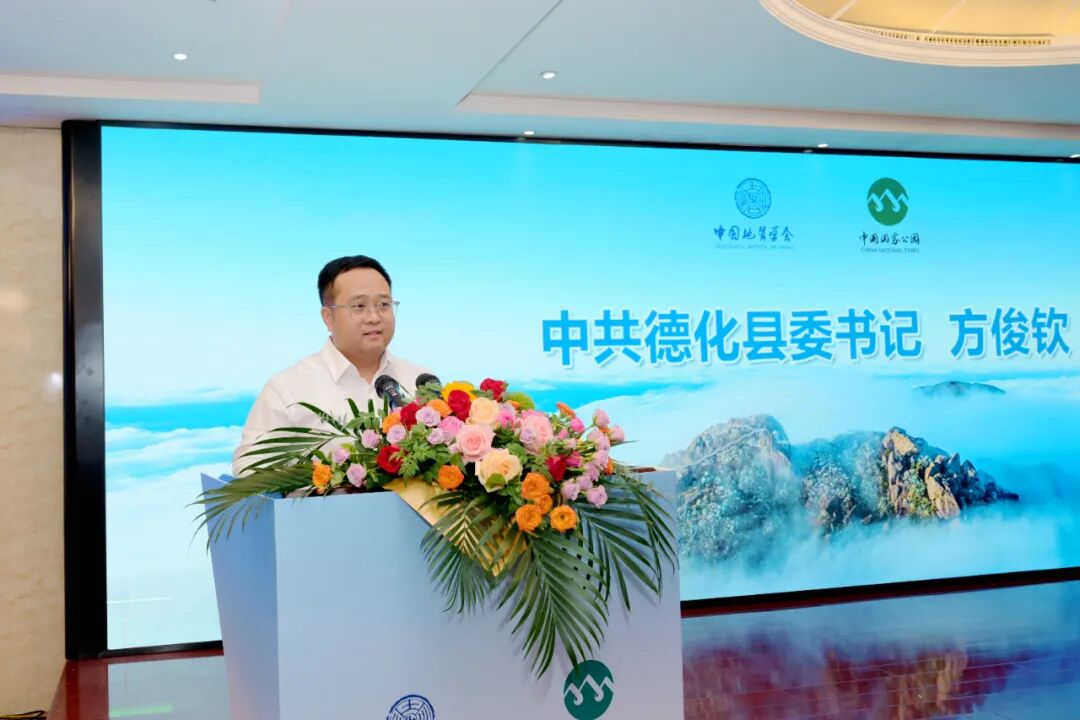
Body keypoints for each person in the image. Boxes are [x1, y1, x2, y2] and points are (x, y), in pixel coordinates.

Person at [232, 255, 431, 475]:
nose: (374, 317)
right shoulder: (287, 391)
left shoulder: (419, 380)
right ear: (328, 317)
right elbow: (249, 471)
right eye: (359, 306)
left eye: (383, 305)